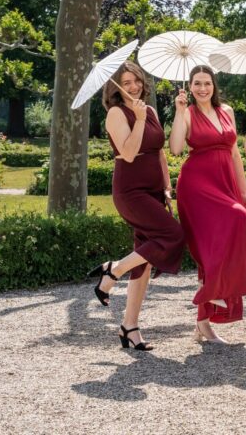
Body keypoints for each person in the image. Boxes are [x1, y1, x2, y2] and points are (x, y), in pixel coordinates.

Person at [87, 61, 185, 351]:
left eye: (136, 80)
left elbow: (160, 153)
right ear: (116, 86)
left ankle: (129, 327)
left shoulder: (150, 110)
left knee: (143, 260)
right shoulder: (116, 113)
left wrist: (167, 186)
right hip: (131, 191)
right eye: (126, 82)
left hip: (155, 191)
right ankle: (112, 270)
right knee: (174, 236)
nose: (132, 86)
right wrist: (139, 120)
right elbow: (128, 153)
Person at [170, 65, 246, 344]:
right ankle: (213, 291)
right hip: (197, 187)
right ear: (189, 87)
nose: (202, 88)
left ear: (214, 85)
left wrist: (244, 189)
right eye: (196, 84)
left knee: (235, 222)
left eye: (207, 83)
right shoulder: (187, 113)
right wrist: (179, 113)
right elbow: (177, 148)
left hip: (225, 183)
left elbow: (235, 153)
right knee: (229, 226)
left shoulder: (226, 112)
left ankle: (203, 323)